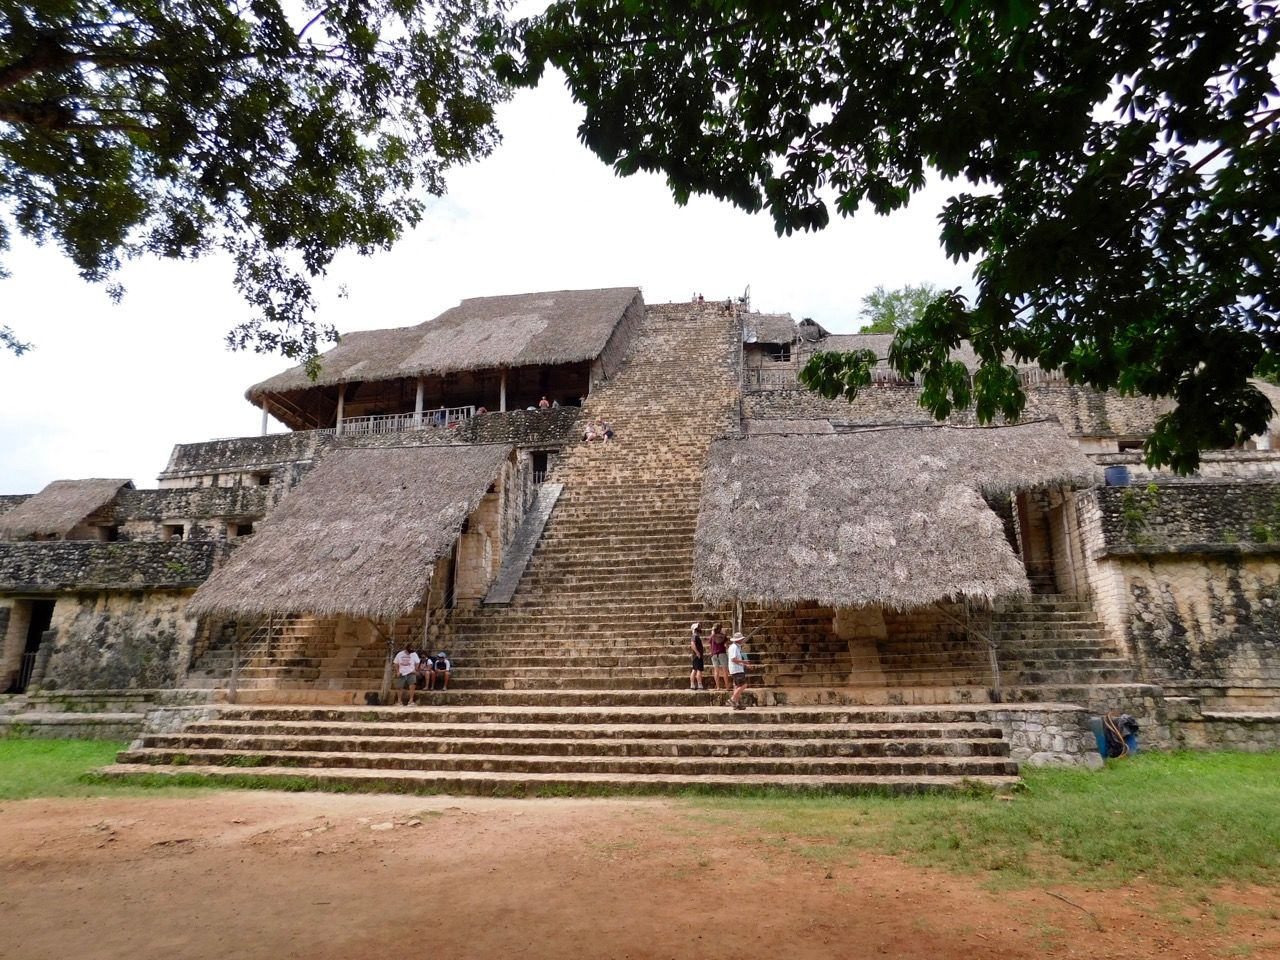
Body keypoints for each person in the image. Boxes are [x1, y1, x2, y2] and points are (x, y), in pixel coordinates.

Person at [726, 632, 751, 710]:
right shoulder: (734, 647)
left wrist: (745, 665)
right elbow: (733, 659)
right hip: (736, 669)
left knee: (737, 686)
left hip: (737, 668)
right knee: (743, 685)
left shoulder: (736, 647)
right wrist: (744, 662)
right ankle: (732, 699)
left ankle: (736, 703)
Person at [708, 623, 730, 690]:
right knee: (725, 671)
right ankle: (727, 687)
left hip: (714, 654)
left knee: (716, 671)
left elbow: (710, 646)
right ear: (720, 629)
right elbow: (726, 646)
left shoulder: (712, 636)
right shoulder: (723, 636)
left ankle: (718, 687)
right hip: (722, 653)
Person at [689, 622, 705, 691]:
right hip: (697, 655)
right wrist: (697, 652)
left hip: (695, 655)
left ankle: (692, 685)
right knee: (698, 670)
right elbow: (692, 644)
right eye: (698, 627)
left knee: (694, 670)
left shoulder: (695, 636)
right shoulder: (694, 636)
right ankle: (699, 684)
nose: (699, 628)